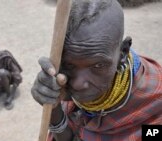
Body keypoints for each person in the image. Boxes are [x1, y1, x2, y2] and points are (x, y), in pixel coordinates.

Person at [31, 0, 162, 140]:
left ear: (123, 53)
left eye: (98, 66)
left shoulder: (155, 102)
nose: (77, 84)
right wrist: (54, 108)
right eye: (69, 65)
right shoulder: (63, 82)